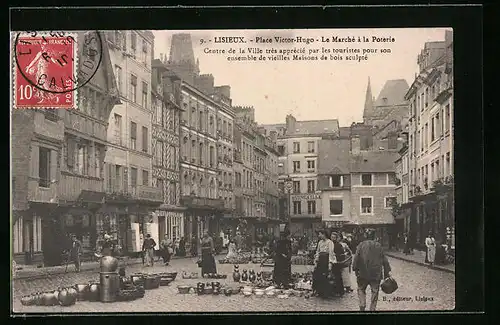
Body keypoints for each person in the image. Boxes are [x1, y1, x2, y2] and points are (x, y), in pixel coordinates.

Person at [352, 229, 392, 311]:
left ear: (365, 236)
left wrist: (354, 268)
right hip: (376, 274)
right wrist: (387, 273)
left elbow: (356, 257)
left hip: (363, 272)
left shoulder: (361, 245)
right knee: (375, 291)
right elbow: (385, 260)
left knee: (361, 289)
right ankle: (372, 309)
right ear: (374, 236)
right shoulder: (379, 246)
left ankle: (362, 304)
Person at [312, 229, 334, 298]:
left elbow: (331, 253)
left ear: (324, 234)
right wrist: (316, 261)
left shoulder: (329, 242)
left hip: (326, 260)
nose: (319, 236)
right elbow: (317, 252)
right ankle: (319, 291)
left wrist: (330, 263)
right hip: (320, 261)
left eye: (320, 234)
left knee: (325, 276)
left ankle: (326, 293)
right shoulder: (320, 242)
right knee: (318, 276)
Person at [330, 231, 346, 297]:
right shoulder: (329, 244)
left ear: (336, 238)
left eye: (334, 237)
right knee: (331, 277)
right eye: (332, 237)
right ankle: (332, 290)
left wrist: (336, 256)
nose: (332, 238)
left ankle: (340, 291)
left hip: (337, 263)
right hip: (331, 262)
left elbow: (342, 255)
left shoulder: (338, 245)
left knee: (337, 277)